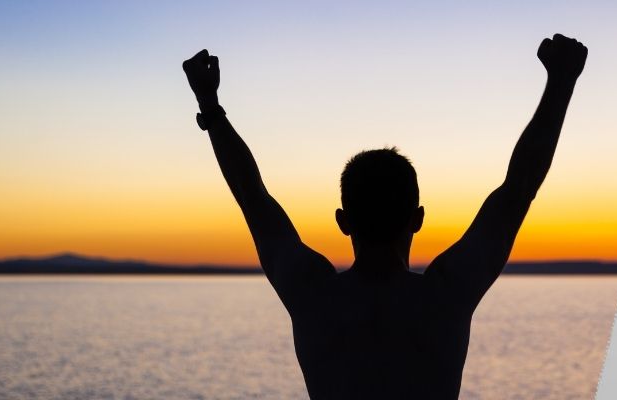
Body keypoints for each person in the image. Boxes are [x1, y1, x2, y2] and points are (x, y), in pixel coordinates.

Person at [181, 34, 588, 399]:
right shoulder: (446, 295)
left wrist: (211, 108)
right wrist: (561, 83)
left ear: (343, 221)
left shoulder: (313, 294)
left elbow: (253, 198)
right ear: (418, 218)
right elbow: (518, 191)